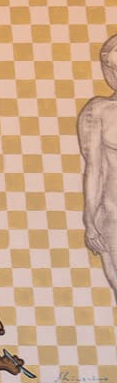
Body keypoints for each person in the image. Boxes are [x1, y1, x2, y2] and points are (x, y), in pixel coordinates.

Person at [82, 34, 117, 301]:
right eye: (112, 67)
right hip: (113, 216)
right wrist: (90, 220)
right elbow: (93, 169)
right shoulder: (99, 111)